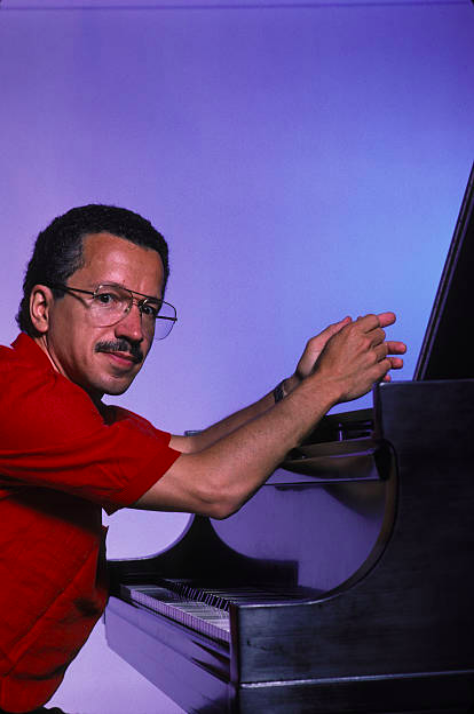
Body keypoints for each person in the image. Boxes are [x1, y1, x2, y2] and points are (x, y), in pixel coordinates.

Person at [0, 204, 406, 714]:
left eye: (148, 308)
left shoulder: (76, 409)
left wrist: (296, 388)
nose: (133, 329)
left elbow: (192, 450)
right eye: (108, 298)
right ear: (42, 307)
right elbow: (212, 486)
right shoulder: (16, 398)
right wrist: (327, 388)